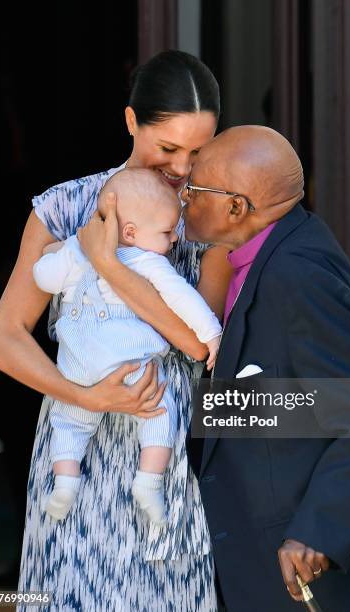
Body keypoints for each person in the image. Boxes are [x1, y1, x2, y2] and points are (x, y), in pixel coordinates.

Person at [0, 50, 232, 611]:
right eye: (168, 148)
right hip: (76, 447)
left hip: (166, 459)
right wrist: (84, 396)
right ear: (130, 122)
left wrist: (113, 267)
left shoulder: (206, 222)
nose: (181, 167)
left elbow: (197, 350)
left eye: (199, 151)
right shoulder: (65, 207)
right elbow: (2, 340)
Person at [183, 125, 350, 611]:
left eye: (195, 189)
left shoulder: (298, 272)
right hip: (258, 555)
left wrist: (317, 533)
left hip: (301, 565)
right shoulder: (259, 255)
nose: (184, 198)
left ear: (237, 207)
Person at [33, 168, 221, 524]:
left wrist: (67, 252)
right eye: (167, 232)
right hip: (130, 363)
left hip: (76, 367)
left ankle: (65, 482)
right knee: (159, 412)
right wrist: (213, 336)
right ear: (132, 233)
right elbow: (186, 302)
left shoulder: (78, 249)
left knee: (69, 422)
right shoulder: (149, 261)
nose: (174, 241)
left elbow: (42, 277)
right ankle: (148, 484)